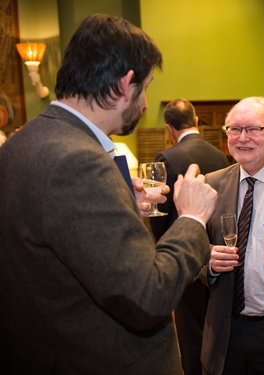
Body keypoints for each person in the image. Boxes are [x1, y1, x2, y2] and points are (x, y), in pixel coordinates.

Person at [0, 14, 218, 375]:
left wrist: (119, 203)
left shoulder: (21, 143)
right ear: (124, 84)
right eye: (145, 87)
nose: (146, 104)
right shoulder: (79, 160)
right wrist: (192, 218)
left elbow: (51, 233)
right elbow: (147, 298)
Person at [201, 97, 264, 375]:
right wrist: (206, 261)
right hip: (225, 330)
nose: (242, 138)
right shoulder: (212, 183)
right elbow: (193, 249)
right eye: (234, 129)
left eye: (253, 129)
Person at [150, 98, 229, 375]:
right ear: (196, 121)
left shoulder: (166, 158)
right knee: (214, 322)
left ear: (170, 128)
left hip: (183, 252)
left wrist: (163, 246)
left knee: (189, 327)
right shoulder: (220, 154)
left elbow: (159, 215)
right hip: (217, 252)